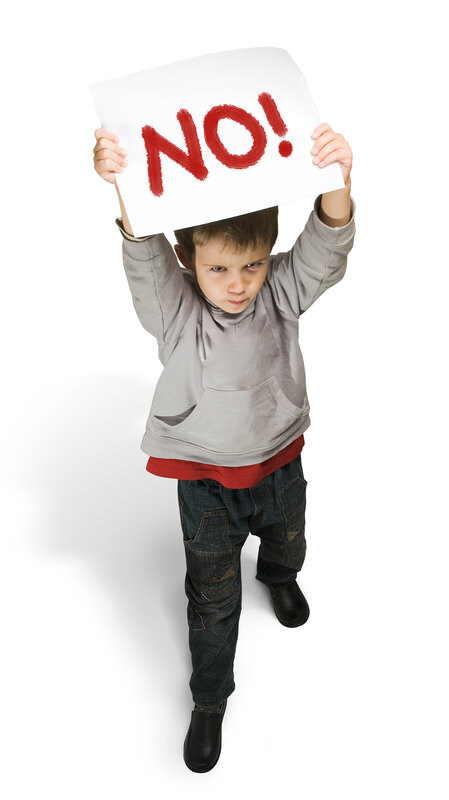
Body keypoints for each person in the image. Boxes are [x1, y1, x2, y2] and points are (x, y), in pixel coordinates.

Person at [93, 122, 356, 772]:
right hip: (206, 484)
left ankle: (279, 576)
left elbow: (323, 251)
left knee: (288, 537)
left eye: (252, 264)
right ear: (188, 257)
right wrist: (125, 182)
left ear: (268, 254)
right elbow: (144, 256)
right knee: (210, 598)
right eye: (218, 268)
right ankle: (209, 699)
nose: (237, 283)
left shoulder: (280, 293)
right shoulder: (176, 311)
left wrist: (337, 181)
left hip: (279, 462)